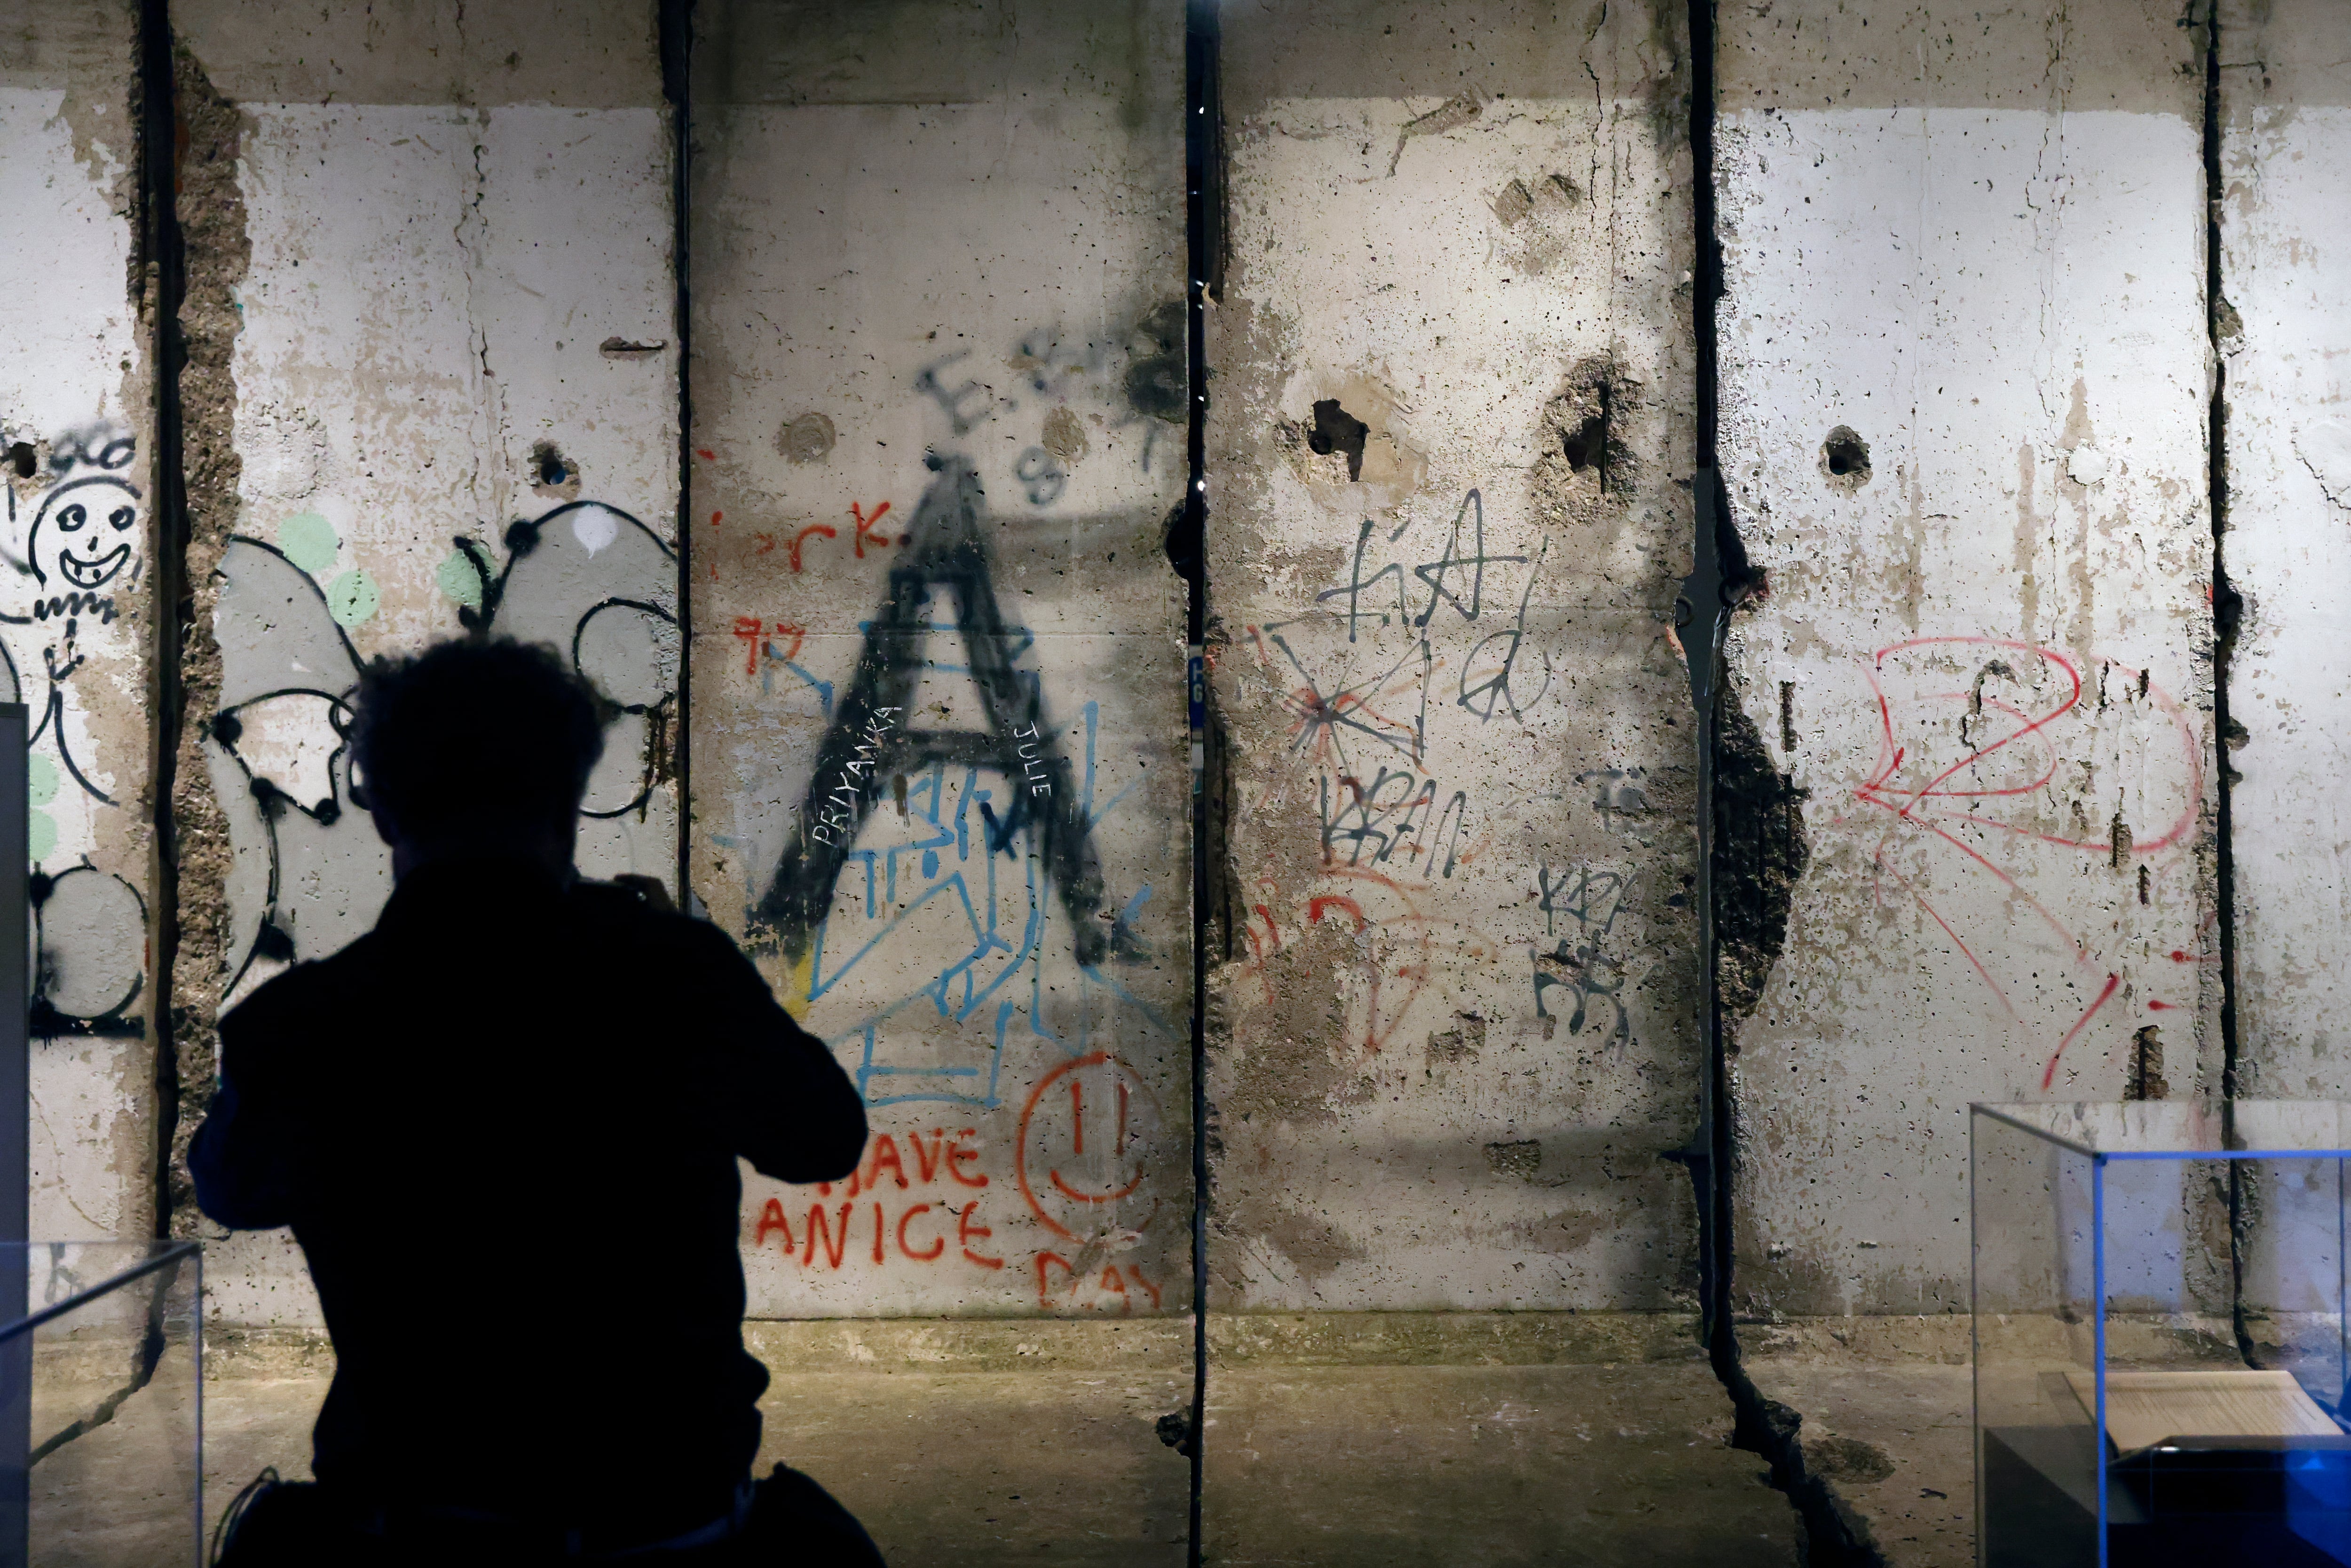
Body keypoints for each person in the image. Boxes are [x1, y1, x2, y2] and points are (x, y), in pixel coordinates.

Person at [192, 637, 881, 1566]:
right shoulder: (670, 978)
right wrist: (680, 956)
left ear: (382, 807)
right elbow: (822, 1140)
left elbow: (234, 1191)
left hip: (409, 1531)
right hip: (669, 1526)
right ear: (569, 793)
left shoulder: (302, 1022)